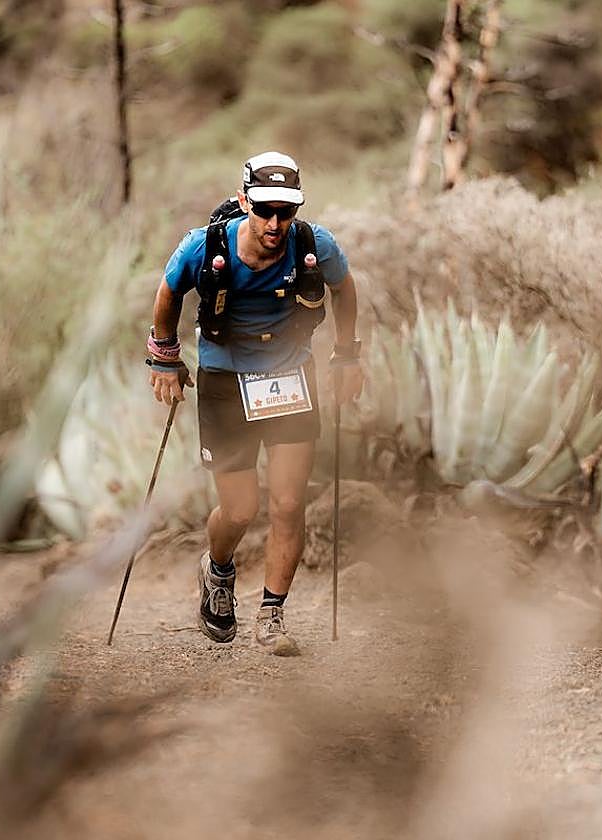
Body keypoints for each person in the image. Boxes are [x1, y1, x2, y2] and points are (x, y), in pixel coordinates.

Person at [147, 151, 363, 656]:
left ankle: (272, 613)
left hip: (288, 374)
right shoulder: (204, 247)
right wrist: (164, 358)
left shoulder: (314, 245)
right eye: (264, 209)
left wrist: (347, 354)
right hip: (224, 377)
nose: (274, 223)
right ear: (244, 200)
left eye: (285, 212)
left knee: (289, 502)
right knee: (241, 508)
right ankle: (218, 570)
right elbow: (168, 292)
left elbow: (345, 289)